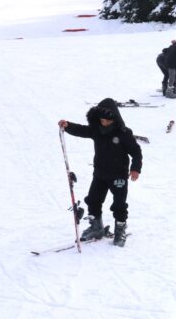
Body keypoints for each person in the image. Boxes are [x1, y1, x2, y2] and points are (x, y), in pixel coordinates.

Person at [57, 99, 142, 248]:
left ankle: (120, 229)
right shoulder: (96, 129)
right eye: (102, 120)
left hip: (118, 175)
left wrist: (135, 168)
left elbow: (136, 152)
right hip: (100, 174)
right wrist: (68, 126)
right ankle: (97, 227)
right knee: (93, 200)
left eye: (108, 121)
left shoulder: (123, 133)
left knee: (119, 204)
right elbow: (82, 130)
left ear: (115, 118)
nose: (104, 123)